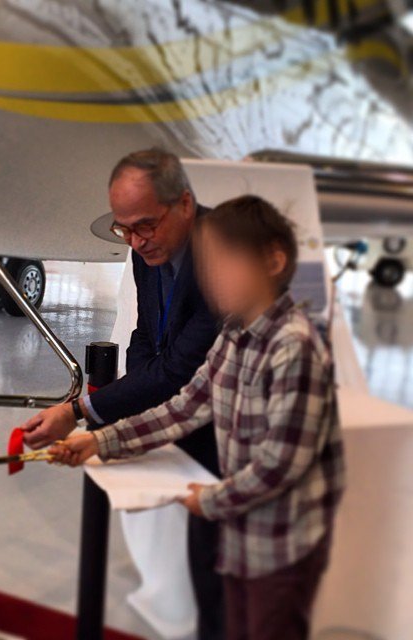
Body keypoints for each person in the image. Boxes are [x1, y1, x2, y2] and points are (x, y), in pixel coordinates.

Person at [50, 195, 346, 640]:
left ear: (273, 261)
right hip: (238, 527)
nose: (211, 277)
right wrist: (101, 441)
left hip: (278, 546)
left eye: (225, 262)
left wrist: (208, 502)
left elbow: (281, 464)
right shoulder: (234, 332)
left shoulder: (294, 346)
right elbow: (187, 406)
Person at [16, 148, 224, 639]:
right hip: (188, 423)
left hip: (235, 444)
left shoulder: (227, 254)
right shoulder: (145, 246)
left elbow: (182, 370)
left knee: (231, 585)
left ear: (186, 204)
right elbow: (146, 339)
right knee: (206, 573)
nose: (134, 241)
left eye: (145, 226)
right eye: (123, 229)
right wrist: (115, 422)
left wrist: (81, 412)